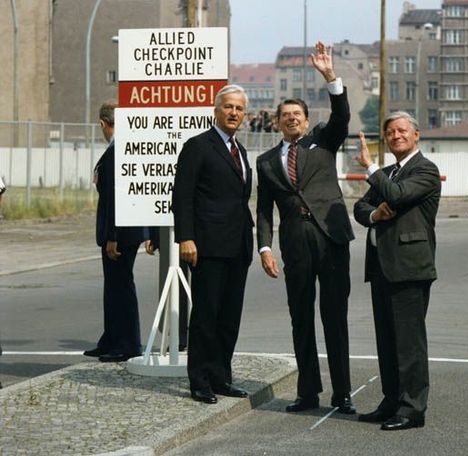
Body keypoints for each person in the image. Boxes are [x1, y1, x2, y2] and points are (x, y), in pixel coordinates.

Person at [256, 41, 355, 414]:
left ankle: (342, 392)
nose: (292, 119)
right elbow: (264, 210)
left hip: (331, 242)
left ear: (306, 118)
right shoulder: (266, 162)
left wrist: (330, 76)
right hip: (294, 247)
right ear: (277, 121)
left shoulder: (324, 142)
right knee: (301, 319)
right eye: (286, 115)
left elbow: (342, 116)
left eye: (298, 114)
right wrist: (264, 248)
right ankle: (307, 391)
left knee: (335, 319)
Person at [353, 111, 441, 430]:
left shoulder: (426, 170)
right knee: (387, 341)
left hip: (409, 268)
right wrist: (375, 213)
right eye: (390, 132)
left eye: (402, 130)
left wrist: (371, 168)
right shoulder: (387, 172)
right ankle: (392, 401)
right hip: (381, 268)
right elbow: (359, 207)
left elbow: (399, 196)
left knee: (409, 342)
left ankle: (412, 409)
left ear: (416, 135)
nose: (396, 136)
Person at [172, 84, 253, 404]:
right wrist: (186, 237)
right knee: (206, 315)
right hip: (207, 246)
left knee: (229, 316)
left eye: (239, 109)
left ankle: (221, 376)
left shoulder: (241, 151)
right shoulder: (198, 146)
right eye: (228, 107)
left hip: (238, 246)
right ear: (215, 110)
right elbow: (182, 196)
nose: (234, 113)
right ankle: (200, 380)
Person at [84, 100, 154, 363]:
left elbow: (117, 196)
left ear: (103, 124)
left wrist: (112, 236)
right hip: (125, 229)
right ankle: (111, 339)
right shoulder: (119, 149)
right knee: (113, 285)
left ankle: (127, 344)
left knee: (121, 285)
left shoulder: (119, 151)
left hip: (121, 232)